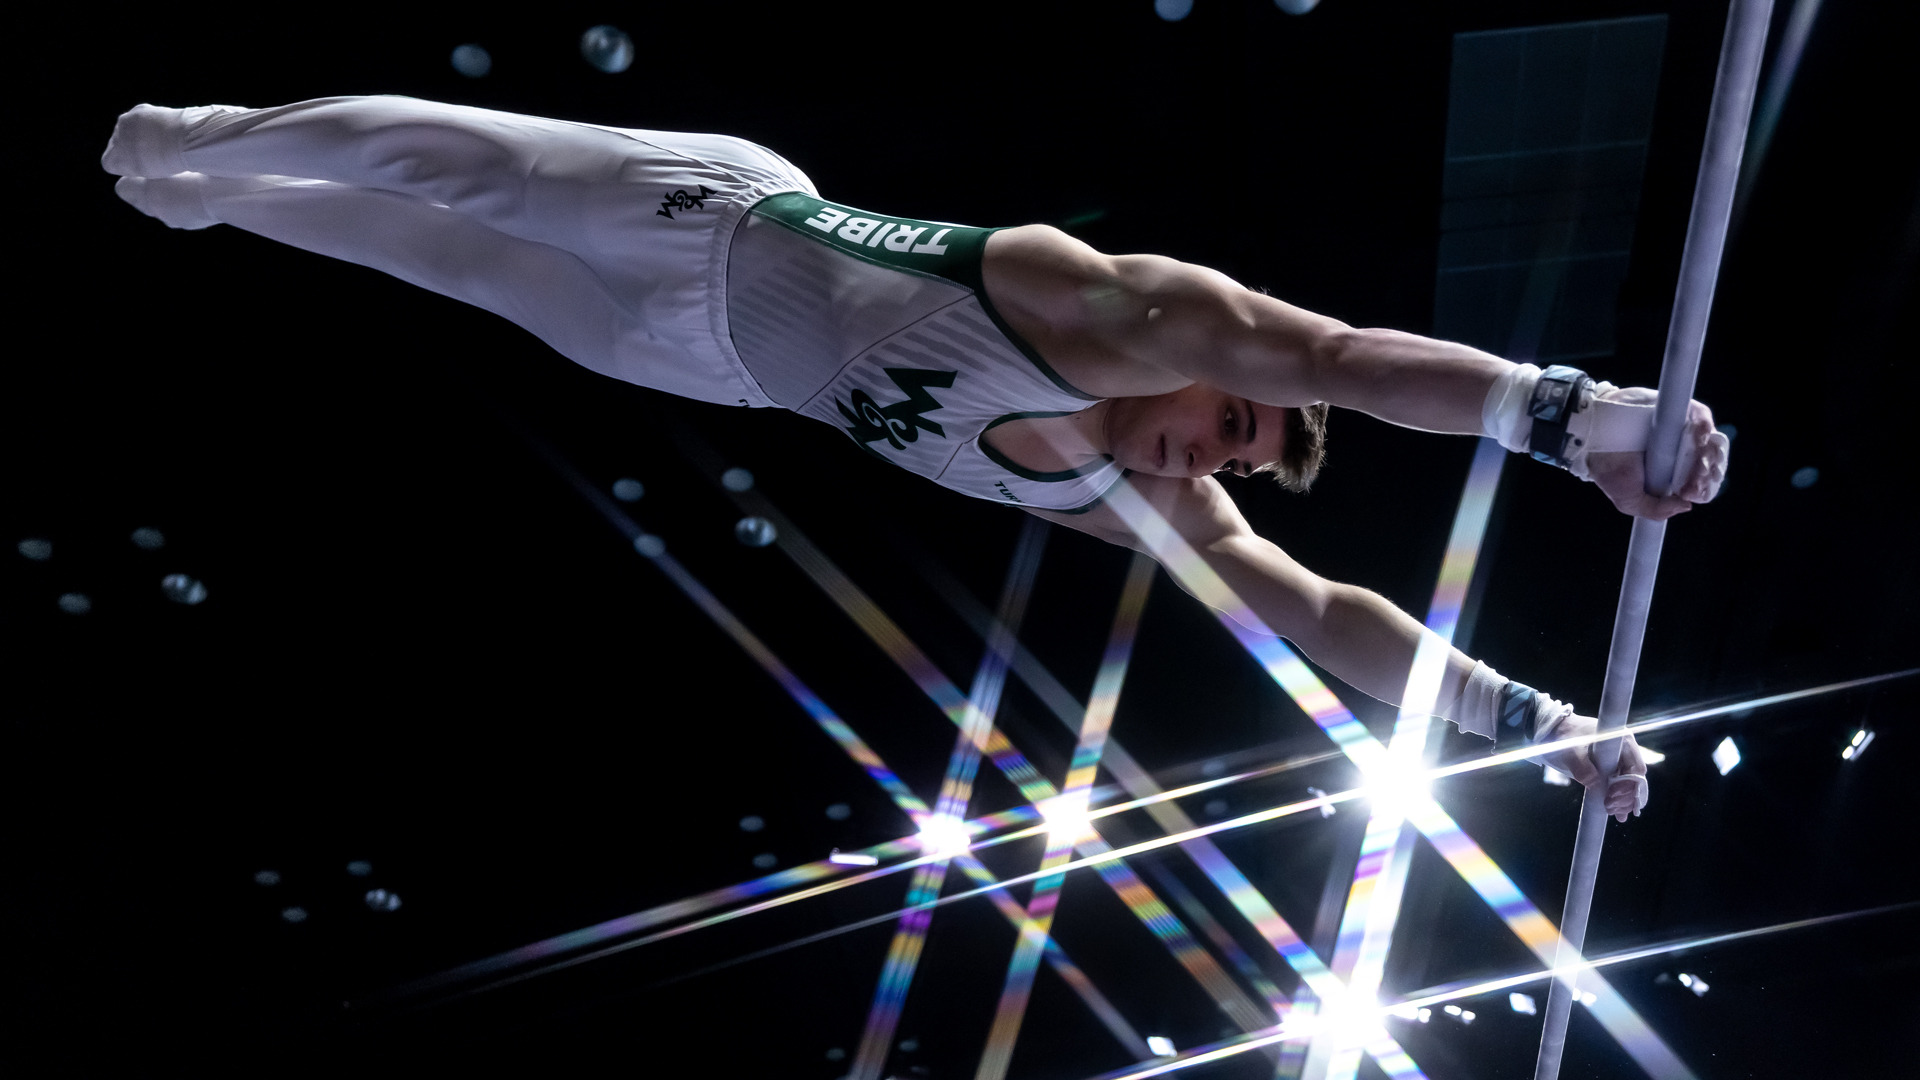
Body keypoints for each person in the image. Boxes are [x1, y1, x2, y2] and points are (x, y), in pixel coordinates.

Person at [102, 96, 1730, 821]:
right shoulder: (1113, 309)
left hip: (707, 362)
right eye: (1225, 420)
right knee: (440, 166)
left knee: (422, 254)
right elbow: (1334, 361)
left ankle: (215, 199)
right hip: (712, 218)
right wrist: (1564, 412)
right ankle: (202, 136)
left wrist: (1535, 722)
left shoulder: (1140, 504)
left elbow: (1317, 614)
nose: (1208, 451)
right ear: (1204, 368)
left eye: (1229, 457)